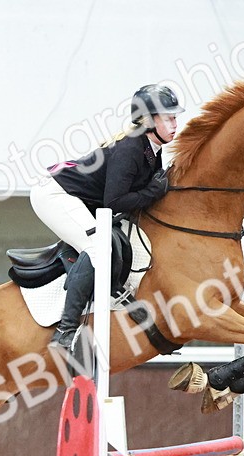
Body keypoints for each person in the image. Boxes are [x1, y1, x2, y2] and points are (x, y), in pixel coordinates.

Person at [30, 83, 183, 353]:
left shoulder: (152, 149)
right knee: (99, 247)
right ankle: (65, 329)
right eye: (169, 118)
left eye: (175, 117)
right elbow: (114, 202)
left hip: (82, 200)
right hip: (55, 196)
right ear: (148, 120)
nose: (175, 124)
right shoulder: (131, 149)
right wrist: (151, 192)